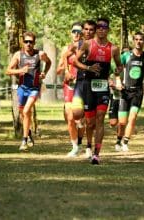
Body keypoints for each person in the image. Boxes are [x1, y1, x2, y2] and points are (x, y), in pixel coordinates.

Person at [72, 18, 123, 164]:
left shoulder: (113, 48)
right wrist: (88, 68)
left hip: (102, 86)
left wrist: (116, 72)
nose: (101, 29)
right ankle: (88, 144)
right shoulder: (88, 44)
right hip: (88, 85)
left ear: (108, 29)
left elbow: (119, 65)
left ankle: (96, 153)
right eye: (99, 27)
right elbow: (75, 61)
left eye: (104, 27)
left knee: (100, 117)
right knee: (90, 122)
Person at [6, 31, 51, 151]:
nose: (28, 44)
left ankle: (24, 140)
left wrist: (44, 73)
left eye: (30, 42)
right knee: (23, 114)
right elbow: (8, 71)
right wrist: (20, 70)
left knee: (26, 111)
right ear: (23, 42)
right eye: (26, 41)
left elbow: (49, 62)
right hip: (22, 88)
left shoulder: (40, 54)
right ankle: (29, 133)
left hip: (34, 89)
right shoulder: (18, 55)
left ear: (34, 43)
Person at [65, 19, 97, 158]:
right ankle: (76, 145)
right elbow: (67, 59)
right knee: (74, 114)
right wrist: (66, 70)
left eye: (90, 30)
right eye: (77, 31)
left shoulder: (97, 45)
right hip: (78, 83)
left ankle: (89, 146)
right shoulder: (74, 46)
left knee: (90, 120)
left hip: (92, 84)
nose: (81, 33)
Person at [118, 31, 144, 152]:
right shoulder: (126, 55)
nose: (138, 42)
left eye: (141, 39)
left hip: (138, 92)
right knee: (122, 122)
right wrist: (117, 80)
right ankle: (118, 140)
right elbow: (116, 69)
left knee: (132, 118)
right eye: (136, 39)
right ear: (133, 41)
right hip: (125, 91)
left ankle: (125, 142)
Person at [56, 22, 86, 157]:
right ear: (71, 32)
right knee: (70, 117)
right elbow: (58, 69)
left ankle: (80, 142)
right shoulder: (65, 49)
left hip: (83, 86)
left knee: (81, 119)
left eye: (79, 32)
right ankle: (74, 146)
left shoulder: (86, 47)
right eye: (74, 31)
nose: (77, 34)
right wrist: (64, 71)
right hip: (69, 86)